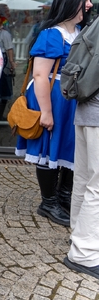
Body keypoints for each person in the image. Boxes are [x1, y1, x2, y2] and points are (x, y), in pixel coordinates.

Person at [15, 0, 93, 227]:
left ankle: (63, 196)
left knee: (69, 148)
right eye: (86, 0)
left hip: (69, 99)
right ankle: (48, 203)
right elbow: (40, 76)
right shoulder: (51, 34)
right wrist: (46, 113)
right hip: (52, 98)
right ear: (72, 2)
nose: (90, 4)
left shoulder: (81, 31)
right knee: (48, 148)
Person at [64, 58, 99, 279]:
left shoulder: (93, 26)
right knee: (96, 186)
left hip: (87, 108)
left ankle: (79, 233)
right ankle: (83, 253)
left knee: (84, 179)